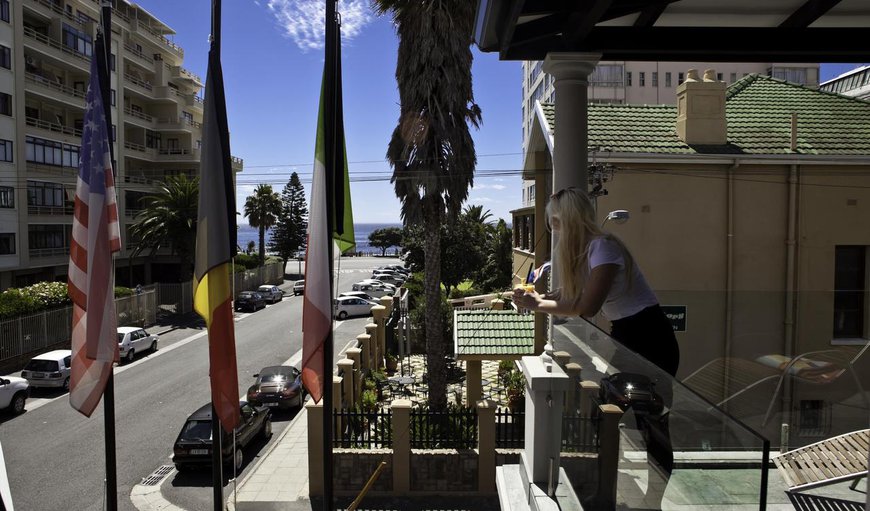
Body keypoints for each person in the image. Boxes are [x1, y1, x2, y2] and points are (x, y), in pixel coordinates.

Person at [512, 187, 678, 509]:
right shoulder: (589, 252)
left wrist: (537, 304)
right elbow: (565, 295)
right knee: (606, 416)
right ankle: (613, 492)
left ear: (567, 220)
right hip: (628, 337)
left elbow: (585, 306)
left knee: (651, 426)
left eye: (555, 223)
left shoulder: (603, 248)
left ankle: (649, 500)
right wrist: (534, 301)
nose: (554, 230)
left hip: (650, 341)